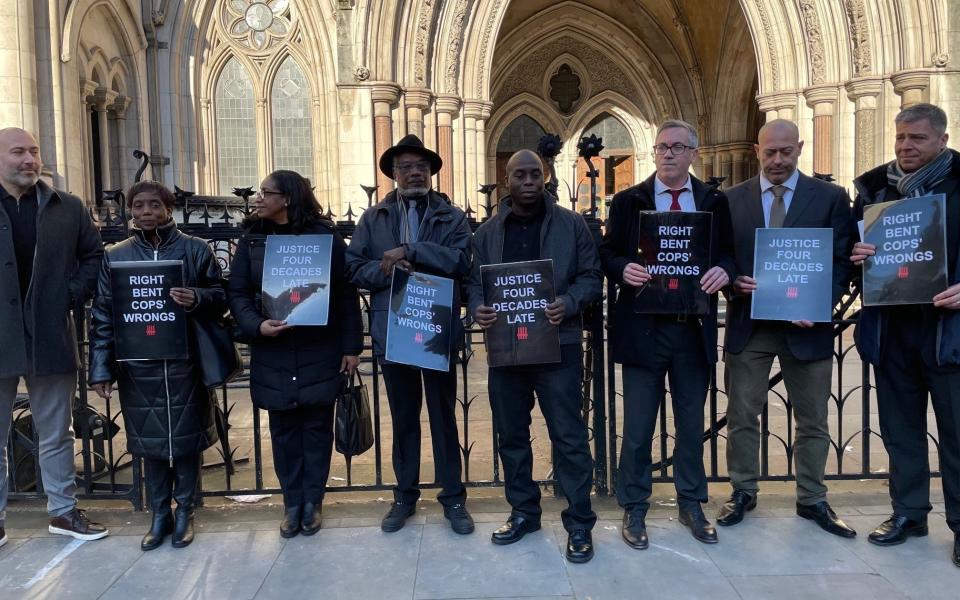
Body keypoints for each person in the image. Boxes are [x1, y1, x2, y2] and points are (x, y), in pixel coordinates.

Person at [599, 119, 736, 549]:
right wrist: (623, 268)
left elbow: (730, 253)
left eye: (678, 147)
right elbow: (607, 253)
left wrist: (724, 270)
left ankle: (691, 502)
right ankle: (635, 505)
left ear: (694, 153)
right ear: (654, 152)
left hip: (690, 329)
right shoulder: (629, 201)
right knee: (638, 426)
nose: (669, 153)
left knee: (691, 424)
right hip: (643, 330)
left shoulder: (713, 201)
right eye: (662, 147)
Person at [717, 119, 856, 537]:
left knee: (813, 418)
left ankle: (812, 497)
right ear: (757, 150)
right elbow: (722, 256)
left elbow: (844, 258)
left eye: (786, 152)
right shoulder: (731, 200)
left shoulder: (830, 197)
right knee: (742, 414)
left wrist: (820, 302)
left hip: (806, 327)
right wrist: (734, 281)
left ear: (799, 148)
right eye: (769, 152)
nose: (777, 160)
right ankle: (742, 490)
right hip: (751, 323)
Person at [468, 150, 601, 563]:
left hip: (557, 346)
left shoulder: (571, 224)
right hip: (506, 349)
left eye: (534, 174)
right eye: (519, 174)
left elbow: (592, 277)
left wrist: (569, 301)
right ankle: (524, 512)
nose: (527, 180)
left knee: (569, 436)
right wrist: (477, 308)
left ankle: (579, 522)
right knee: (511, 435)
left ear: (544, 177)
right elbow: (473, 284)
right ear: (506, 179)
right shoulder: (487, 234)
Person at [346, 134, 474, 535]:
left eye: (421, 166)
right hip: (393, 328)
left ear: (432, 172)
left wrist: (412, 251)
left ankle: (453, 498)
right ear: (393, 174)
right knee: (404, 418)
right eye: (406, 167)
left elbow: (462, 261)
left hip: (435, 325)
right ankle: (404, 496)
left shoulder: (451, 218)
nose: (414, 172)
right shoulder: (374, 218)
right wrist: (385, 271)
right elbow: (354, 269)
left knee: (443, 417)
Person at [849, 103, 960, 566]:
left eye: (916, 138)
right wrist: (856, 258)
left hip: (947, 331)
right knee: (900, 432)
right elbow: (853, 263)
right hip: (893, 328)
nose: (905, 147)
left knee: (956, 432)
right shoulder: (875, 189)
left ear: (941, 139)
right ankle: (909, 513)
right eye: (900, 138)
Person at [89, 180, 225, 550]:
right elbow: (103, 313)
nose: (146, 212)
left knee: (185, 440)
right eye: (138, 206)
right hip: (139, 366)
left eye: (154, 205)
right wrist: (100, 367)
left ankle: (185, 511)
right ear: (130, 210)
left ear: (169, 208)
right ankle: (159, 512)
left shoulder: (195, 250)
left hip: (185, 363)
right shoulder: (115, 255)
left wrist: (197, 296)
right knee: (149, 443)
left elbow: (221, 296)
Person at [228, 170, 362, 538]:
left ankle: (313, 503)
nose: (258, 198)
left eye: (266, 193)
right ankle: (291, 504)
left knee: (317, 430)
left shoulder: (325, 238)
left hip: (320, 346)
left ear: (286, 198)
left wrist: (352, 347)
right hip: (274, 348)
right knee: (284, 430)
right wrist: (257, 325)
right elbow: (236, 293)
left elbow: (346, 295)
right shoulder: (253, 240)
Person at [0, 127, 107, 547]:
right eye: (17, 152)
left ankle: (63, 512)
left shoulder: (69, 207)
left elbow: (93, 256)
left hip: (50, 336)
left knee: (56, 431)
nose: (29, 159)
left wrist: (69, 294)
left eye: (34, 151)